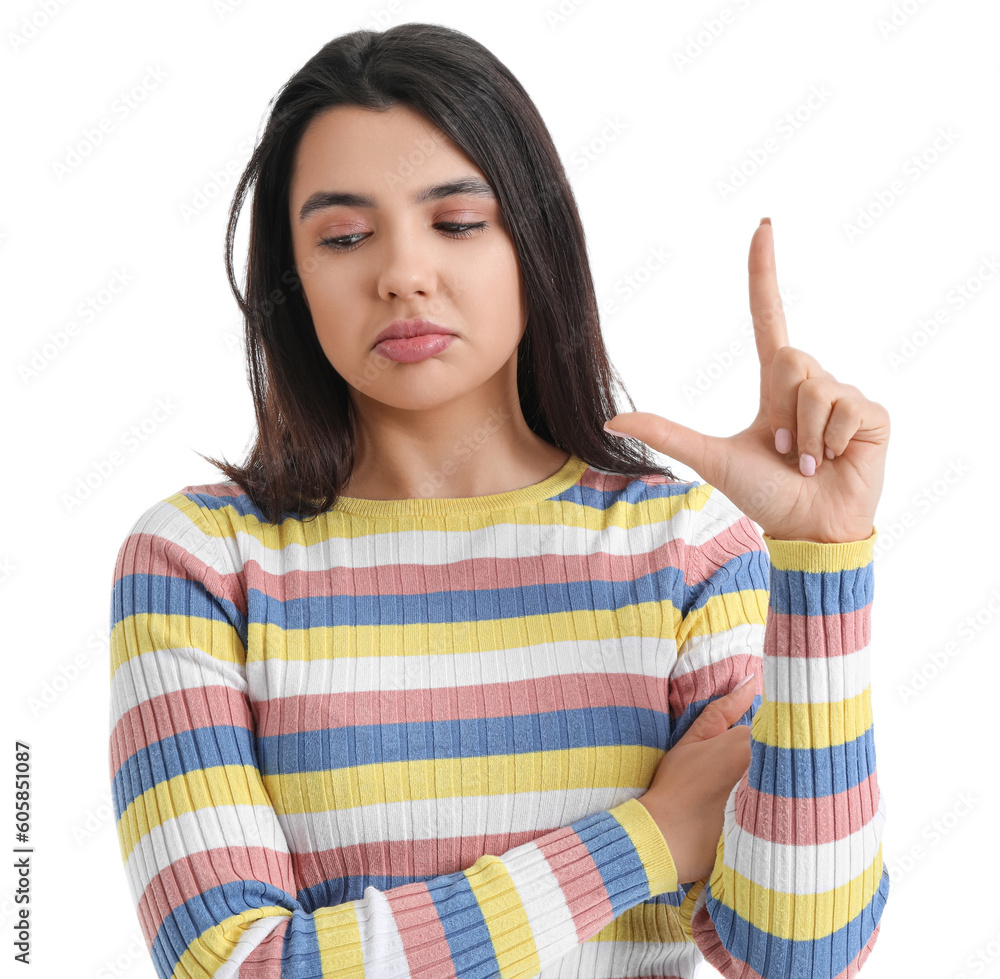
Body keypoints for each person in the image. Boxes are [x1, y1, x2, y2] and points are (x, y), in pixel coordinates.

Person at [107, 22, 891, 979]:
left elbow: (802, 955)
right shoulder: (199, 562)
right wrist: (642, 840)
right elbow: (237, 966)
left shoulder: (687, 548)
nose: (401, 272)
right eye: (345, 236)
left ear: (534, 239)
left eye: (457, 221)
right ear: (292, 278)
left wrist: (819, 557)